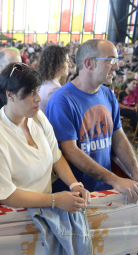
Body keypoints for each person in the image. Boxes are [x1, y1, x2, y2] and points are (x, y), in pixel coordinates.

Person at [0, 63, 91, 213]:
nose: (38, 98)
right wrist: (55, 200)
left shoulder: (37, 117)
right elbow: (5, 195)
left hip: (46, 205)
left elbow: (55, 156)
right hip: (15, 215)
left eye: (37, 91)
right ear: (10, 95)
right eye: (30, 93)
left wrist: (74, 185)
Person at [46, 39, 138, 201]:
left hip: (105, 189)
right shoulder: (62, 100)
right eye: (111, 60)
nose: (116, 67)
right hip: (75, 195)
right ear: (89, 63)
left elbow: (119, 138)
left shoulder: (108, 95)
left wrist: (135, 172)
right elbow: (70, 151)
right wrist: (115, 179)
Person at [37, 45, 70, 113]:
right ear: (57, 64)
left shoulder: (45, 82)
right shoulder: (54, 90)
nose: (69, 64)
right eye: (66, 61)